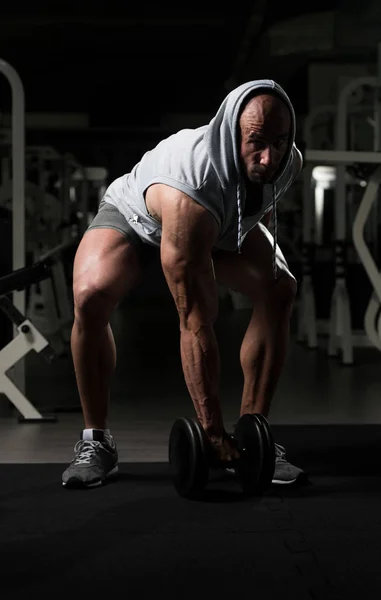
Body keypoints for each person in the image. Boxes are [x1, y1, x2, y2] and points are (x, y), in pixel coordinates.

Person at [62, 79, 305, 489]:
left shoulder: (288, 162)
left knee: (280, 288)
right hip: (138, 223)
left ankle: (254, 432)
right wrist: (210, 432)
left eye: (280, 142)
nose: (269, 157)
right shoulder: (189, 185)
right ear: (232, 133)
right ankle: (96, 441)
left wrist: (245, 445)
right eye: (256, 142)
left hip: (217, 227)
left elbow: (250, 210)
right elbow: (195, 320)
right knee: (90, 297)